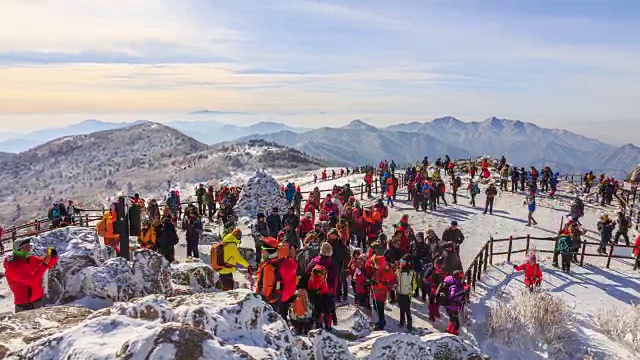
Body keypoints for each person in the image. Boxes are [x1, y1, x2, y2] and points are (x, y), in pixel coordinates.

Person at [4, 238, 58, 312]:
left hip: (38, 301)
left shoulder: (30, 259)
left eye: (29, 246)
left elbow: (47, 263)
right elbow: (31, 280)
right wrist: (44, 264)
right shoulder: (12, 266)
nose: (28, 249)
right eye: (25, 247)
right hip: (25, 307)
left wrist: (53, 256)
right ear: (18, 250)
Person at [255, 238, 298, 320]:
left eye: (263, 250)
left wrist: (262, 298)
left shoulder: (268, 267)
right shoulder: (285, 261)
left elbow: (266, 288)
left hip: (270, 300)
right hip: (281, 296)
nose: (262, 252)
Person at [440, 270, 469, 335]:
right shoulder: (454, 286)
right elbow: (452, 296)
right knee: (456, 324)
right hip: (451, 306)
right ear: (457, 277)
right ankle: (452, 335)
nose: (462, 278)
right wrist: (463, 292)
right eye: (461, 277)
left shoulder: (456, 284)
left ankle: (449, 331)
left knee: (453, 320)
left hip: (453, 306)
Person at [396, 254, 417, 331]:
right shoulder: (399, 270)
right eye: (401, 261)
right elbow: (397, 280)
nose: (401, 263)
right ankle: (402, 321)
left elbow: (414, 283)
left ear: (408, 262)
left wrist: (411, 290)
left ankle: (409, 323)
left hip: (406, 293)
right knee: (401, 307)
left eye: (403, 261)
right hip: (399, 291)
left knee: (407, 309)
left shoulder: (411, 272)